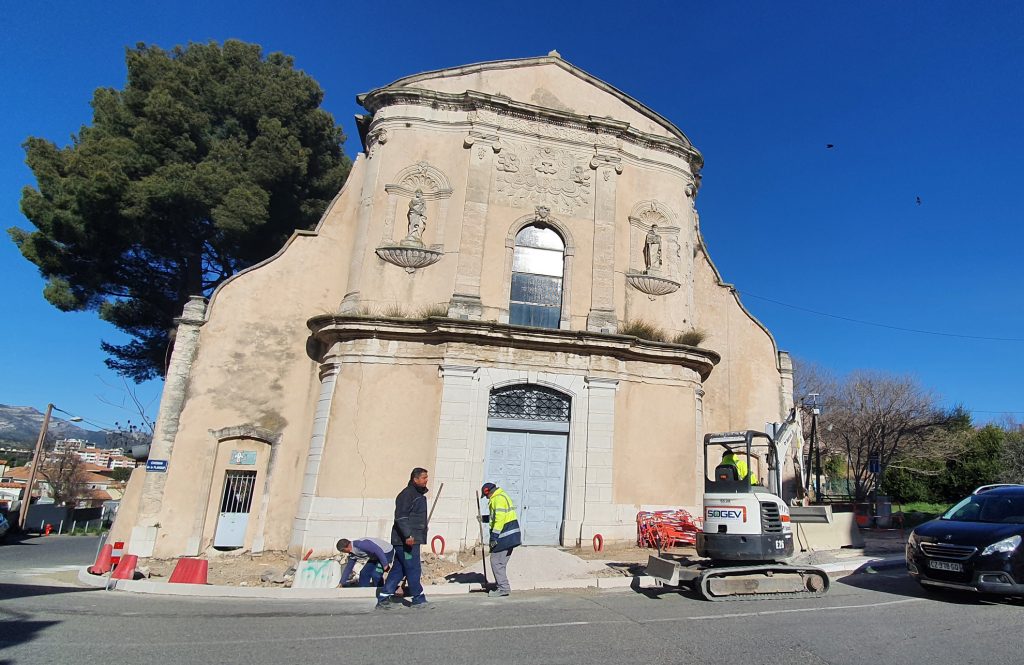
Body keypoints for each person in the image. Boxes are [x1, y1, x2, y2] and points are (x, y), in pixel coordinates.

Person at [376, 467, 430, 609]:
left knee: (399, 569)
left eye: (426, 477)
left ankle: (383, 597)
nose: (426, 480)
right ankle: (418, 598)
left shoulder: (418, 495)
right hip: (406, 541)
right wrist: (408, 535)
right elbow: (401, 517)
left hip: (412, 539)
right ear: (415, 479)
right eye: (424, 478)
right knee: (413, 568)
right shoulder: (407, 495)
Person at [481, 482, 521, 597]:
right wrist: (484, 519)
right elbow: (497, 515)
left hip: (505, 536)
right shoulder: (502, 496)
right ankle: (501, 585)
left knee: (496, 562)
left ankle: (503, 588)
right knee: (501, 563)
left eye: (486, 496)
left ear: (488, 492)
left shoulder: (497, 499)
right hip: (511, 536)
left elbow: (499, 519)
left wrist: (494, 537)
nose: (487, 498)